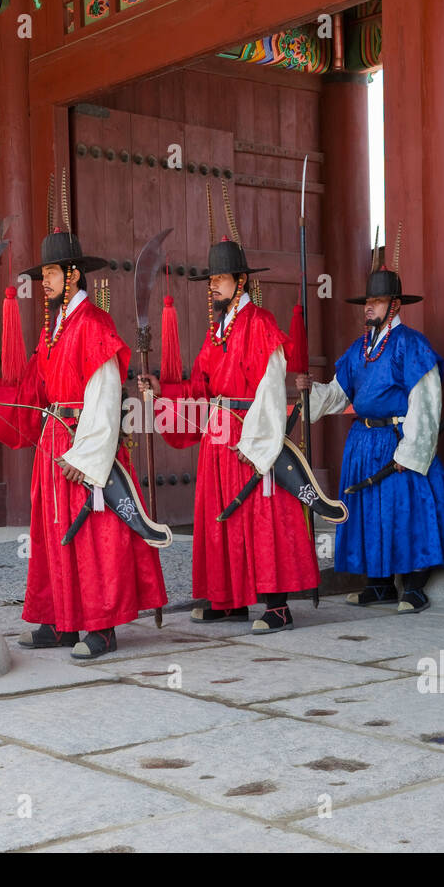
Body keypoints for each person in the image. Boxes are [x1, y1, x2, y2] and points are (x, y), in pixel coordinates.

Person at [0, 183, 167, 659]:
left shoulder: (94, 326)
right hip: (52, 444)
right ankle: (59, 619)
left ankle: (100, 626)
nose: (45, 283)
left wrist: (89, 457)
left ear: (74, 276)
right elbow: (32, 396)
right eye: (44, 275)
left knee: (95, 535)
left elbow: (104, 396)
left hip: (83, 445)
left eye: (52, 273)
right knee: (53, 536)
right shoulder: (52, 334)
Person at [138, 189, 318, 634]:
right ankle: (230, 599)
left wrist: (260, 442)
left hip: (250, 436)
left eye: (219, 280)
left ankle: (276, 604)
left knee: (263, 516)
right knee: (223, 519)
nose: (212, 286)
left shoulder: (258, 324)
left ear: (240, 282)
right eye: (210, 281)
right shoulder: (215, 332)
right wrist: (163, 391)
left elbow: (273, 387)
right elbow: (199, 387)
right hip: (219, 438)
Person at [297, 232, 444, 613]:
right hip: (364, 442)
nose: (368, 307)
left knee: (406, 512)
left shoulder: (411, 344)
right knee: (369, 512)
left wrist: (411, 450)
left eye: (376, 301)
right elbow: (339, 392)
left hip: (400, 441)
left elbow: (427, 399)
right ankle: (379, 584)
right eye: (366, 301)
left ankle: (414, 586)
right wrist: (309, 393)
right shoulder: (359, 349)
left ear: (395, 304)